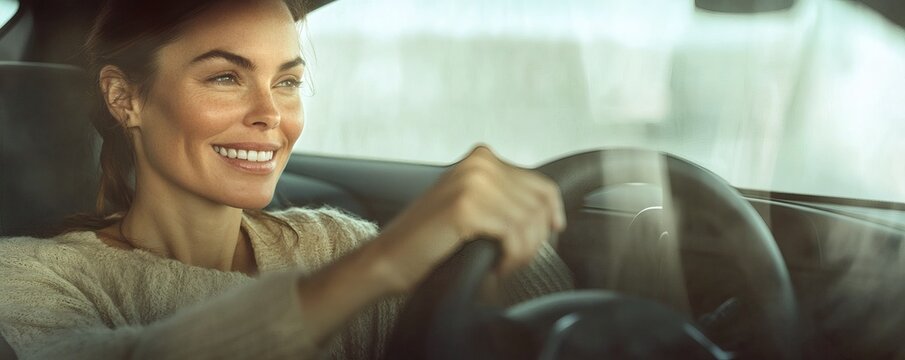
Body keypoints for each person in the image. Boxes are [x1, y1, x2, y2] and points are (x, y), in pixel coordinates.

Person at [0, 0, 573, 358]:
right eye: (226, 77)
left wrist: (505, 248)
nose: (270, 115)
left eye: (287, 82)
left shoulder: (335, 243)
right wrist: (381, 266)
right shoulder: (29, 277)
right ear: (125, 98)